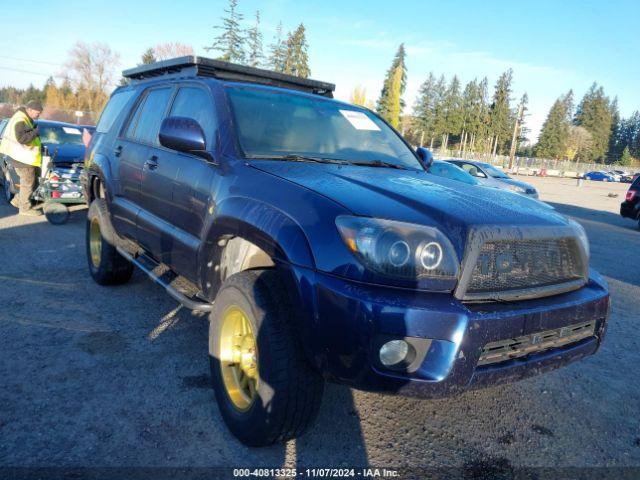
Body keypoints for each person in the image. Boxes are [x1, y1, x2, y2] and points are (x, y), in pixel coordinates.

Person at [0, 100, 43, 216]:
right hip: (22, 158)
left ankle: (17, 201)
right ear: (29, 110)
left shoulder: (23, 117)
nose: (39, 115)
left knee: (28, 182)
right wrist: (36, 132)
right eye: (37, 112)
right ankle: (25, 208)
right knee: (28, 183)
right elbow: (22, 139)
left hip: (21, 156)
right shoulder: (21, 119)